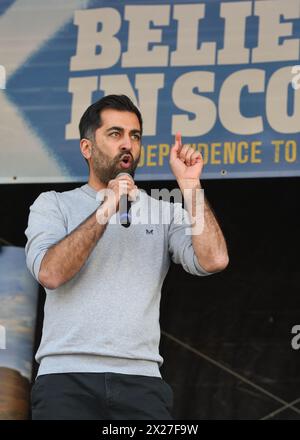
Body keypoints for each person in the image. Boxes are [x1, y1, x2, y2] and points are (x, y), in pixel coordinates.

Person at [25, 94, 229, 420]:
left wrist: (190, 186)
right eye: (115, 134)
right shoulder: (53, 204)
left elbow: (214, 260)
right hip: (66, 377)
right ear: (87, 148)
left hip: (141, 381)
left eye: (135, 136)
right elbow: (50, 273)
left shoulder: (163, 211)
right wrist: (106, 207)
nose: (127, 145)